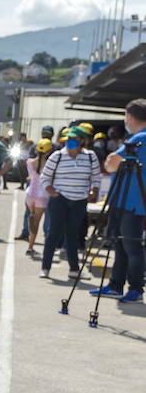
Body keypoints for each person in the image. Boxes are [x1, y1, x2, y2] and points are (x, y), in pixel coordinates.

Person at [89, 98, 146, 303]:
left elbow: (111, 164)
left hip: (130, 202)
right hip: (131, 201)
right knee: (122, 245)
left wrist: (115, 155)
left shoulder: (139, 139)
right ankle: (116, 285)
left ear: (129, 118)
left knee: (131, 246)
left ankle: (135, 289)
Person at [39, 126, 101, 280]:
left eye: (74, 139)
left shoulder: (90, 156)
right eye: (69, 139)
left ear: (82, 141)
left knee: (73, 235)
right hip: (59, 200)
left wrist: (94, 189)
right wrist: (51, 191)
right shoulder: (57, 156)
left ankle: (74, 269)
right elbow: (44, 176)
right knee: (53, 233)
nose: (71, 142)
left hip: (79, 201)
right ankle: (45, 268)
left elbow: (96, 176)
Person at [23, 135, 52, 257]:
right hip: (42, 195)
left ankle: (30, 245)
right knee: (37, 221)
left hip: (30, 194)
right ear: (49, 151)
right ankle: (30, 246)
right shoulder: (49, 165)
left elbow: (31, 176)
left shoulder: (29, 162)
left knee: (32, 219)